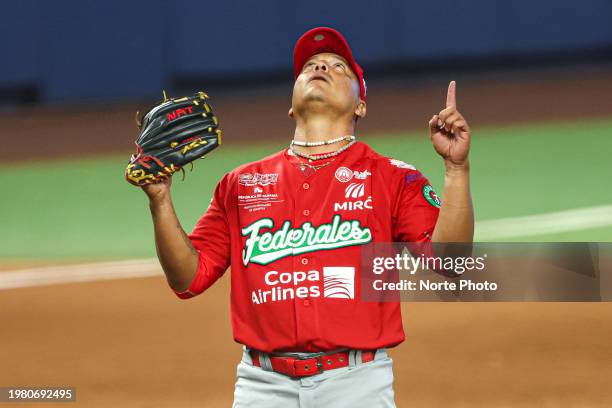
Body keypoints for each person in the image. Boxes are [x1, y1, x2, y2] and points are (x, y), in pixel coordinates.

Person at [141, 27, 473, 408]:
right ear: (291, 102)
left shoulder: (394, 178)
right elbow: (188, 278)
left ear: (360, 104)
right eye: (311, 66)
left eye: (337, 67)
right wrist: (160, 199)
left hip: (357, 384)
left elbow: (451, 262)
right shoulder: (241, 184)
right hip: (261, 385)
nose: (320, 67)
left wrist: (456, 171)